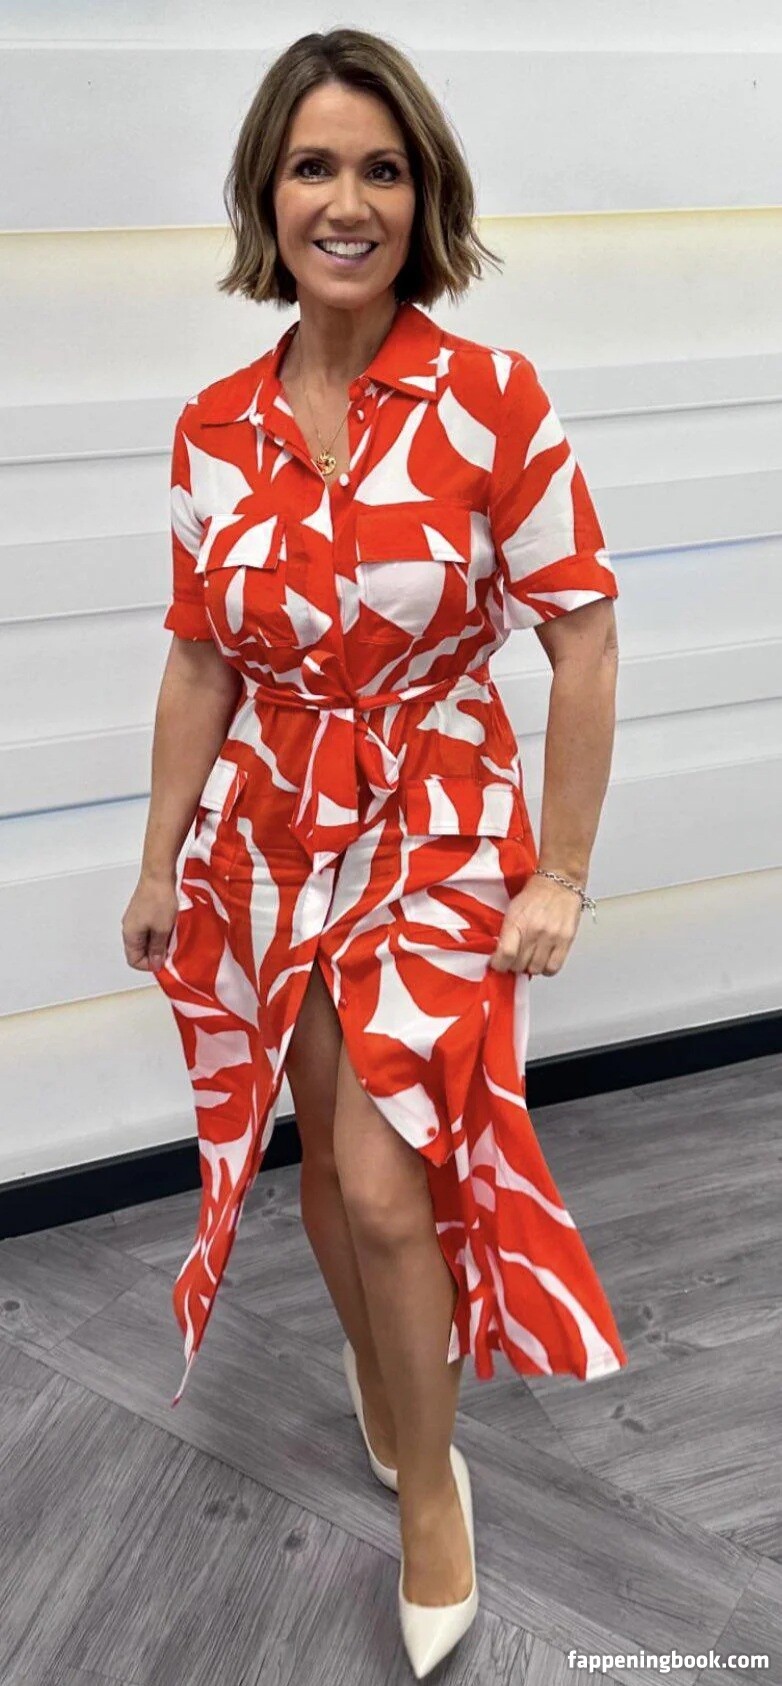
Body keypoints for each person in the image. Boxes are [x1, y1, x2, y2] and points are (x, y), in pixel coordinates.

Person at [121, 27, 627, 1679]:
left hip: (437, 811)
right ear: (267, 196)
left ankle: (428, 1487)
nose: (348, 201)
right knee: (326, 1159)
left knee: (381, 1173)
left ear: (425, 197)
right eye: (314, 167)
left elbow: (580, 634)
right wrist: (158, 858)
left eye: (382, 169)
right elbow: (199, 658)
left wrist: (559, 868)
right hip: (276, 825)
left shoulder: (491, 400)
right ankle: (385, 1367)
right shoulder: (213, 427)